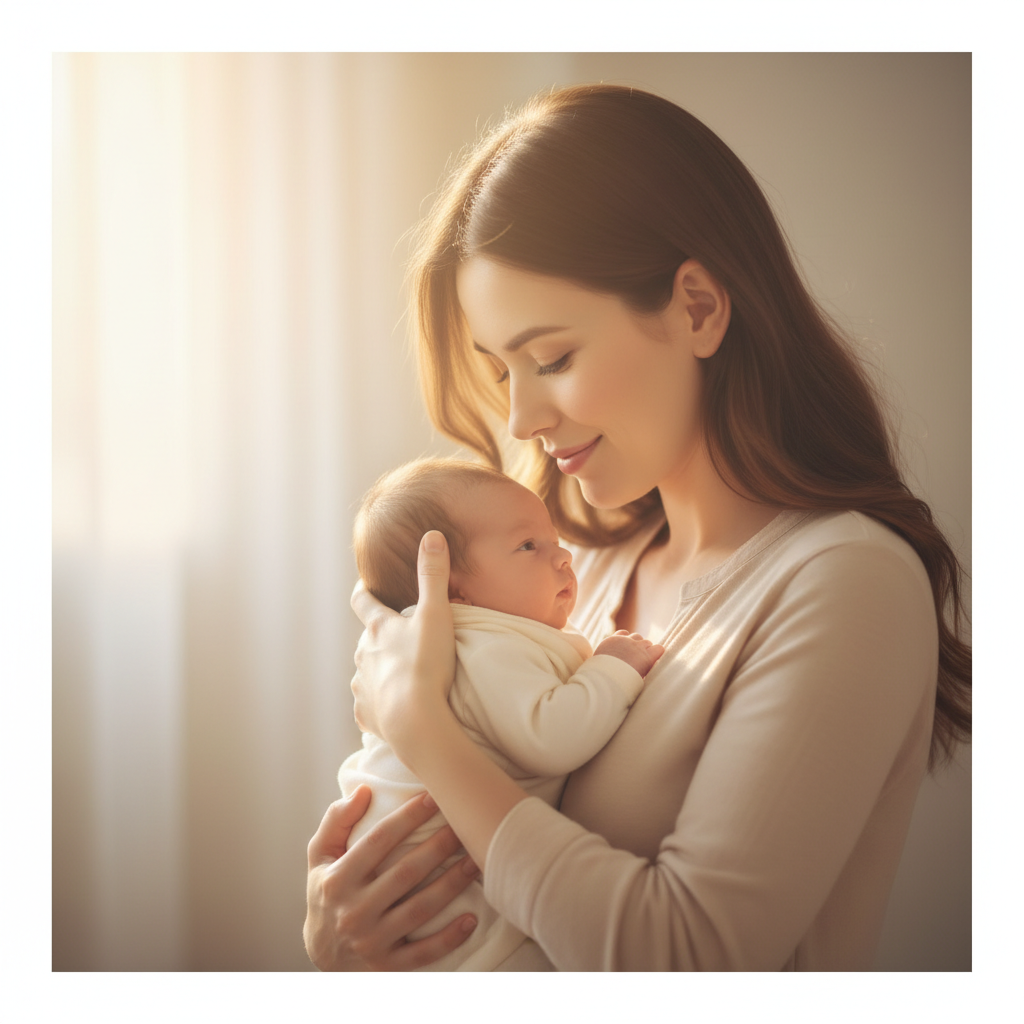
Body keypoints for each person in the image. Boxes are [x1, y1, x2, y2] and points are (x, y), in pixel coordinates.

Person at [303, 83, 971, 971]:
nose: (522, 420)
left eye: (552, 359)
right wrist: (344, 941)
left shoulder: (845, 583)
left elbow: (685, 956)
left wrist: (422, 728)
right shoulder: (581, 567)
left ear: (697, 308)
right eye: (502, 374)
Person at [337, 457, 663, 970]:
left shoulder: (495, 633)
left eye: (553, 539)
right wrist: (613, 669)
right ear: (451, 588)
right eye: (528, 546)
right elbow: (552, 736)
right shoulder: (482, 644)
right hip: (441, 897)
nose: (564, 558)